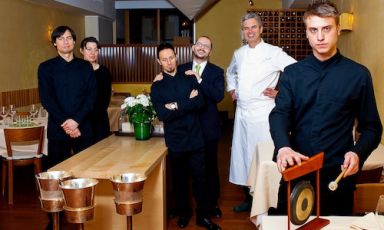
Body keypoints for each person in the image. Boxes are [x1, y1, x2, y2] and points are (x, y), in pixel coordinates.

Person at [269, 0, 382, 216]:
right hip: (297, 169)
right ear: (307, 33)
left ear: (338, 29)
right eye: (314, 30)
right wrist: (283, 146)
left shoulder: (358, 75)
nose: (320, 37)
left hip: (337, 174)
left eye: (326, 29)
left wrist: (358, 154)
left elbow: (372, 128)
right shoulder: (292, 73)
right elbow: (280, 114)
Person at [226, 12, 296, 213]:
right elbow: (230, 72)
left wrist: (280, 92)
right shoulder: (239, 53)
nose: (249, 31)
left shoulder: (273, 52)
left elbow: (296, 70)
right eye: (246, 28)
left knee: (264, 157)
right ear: (243, 31)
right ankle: (249, 199)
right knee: (245, 157)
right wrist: (232, 88)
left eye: (253, 27)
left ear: (261, 29)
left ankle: (268, 201)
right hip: (242, 114)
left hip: (264, 113)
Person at [150, 43, 221, 230]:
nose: (168, 62)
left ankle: (203, 216)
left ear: (176, 57)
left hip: (196, 137)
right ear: (159, 61)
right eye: (164, 59)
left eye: (171, 57)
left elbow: (199, 103)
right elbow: (162, 115)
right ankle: (184, 212)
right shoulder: (157, 86)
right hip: (175, 140)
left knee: (201, 178)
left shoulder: (189, 77)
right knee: (179, 180)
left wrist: (174, 106)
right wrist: (186, 102)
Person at [178, 36, 225, 218]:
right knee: (184, 169)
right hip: (185, 127)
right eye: (199, 44)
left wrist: (199, 79)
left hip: (208, 129)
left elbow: (218, 95)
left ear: (210, 52)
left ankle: (212, 204)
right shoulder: (181, 69)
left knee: (210, 168)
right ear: (192, 47)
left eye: (206, 46)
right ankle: (184, 207)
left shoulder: (216, 72)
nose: (202, 48)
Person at [38, 26, 97, 170]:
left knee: (87, 171)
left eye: (69, 38)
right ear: (54, 43)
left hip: (83, 127)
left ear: (74, 41)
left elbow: (91, 97)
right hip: (58, 129)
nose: (65, 42)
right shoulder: (46, 67)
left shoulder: (85, 66)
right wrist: (67, 124)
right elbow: (46, 99)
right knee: (57, 173)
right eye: (61, 38)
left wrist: (76, 121)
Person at [80, 37, 112, 143]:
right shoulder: (76, 71)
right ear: (81, 50)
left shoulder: (104, 71)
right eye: (89, 49)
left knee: (102, 152)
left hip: (100, 119)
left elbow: (105, 98)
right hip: (81, 120)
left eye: (96, 49)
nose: (93, 52)